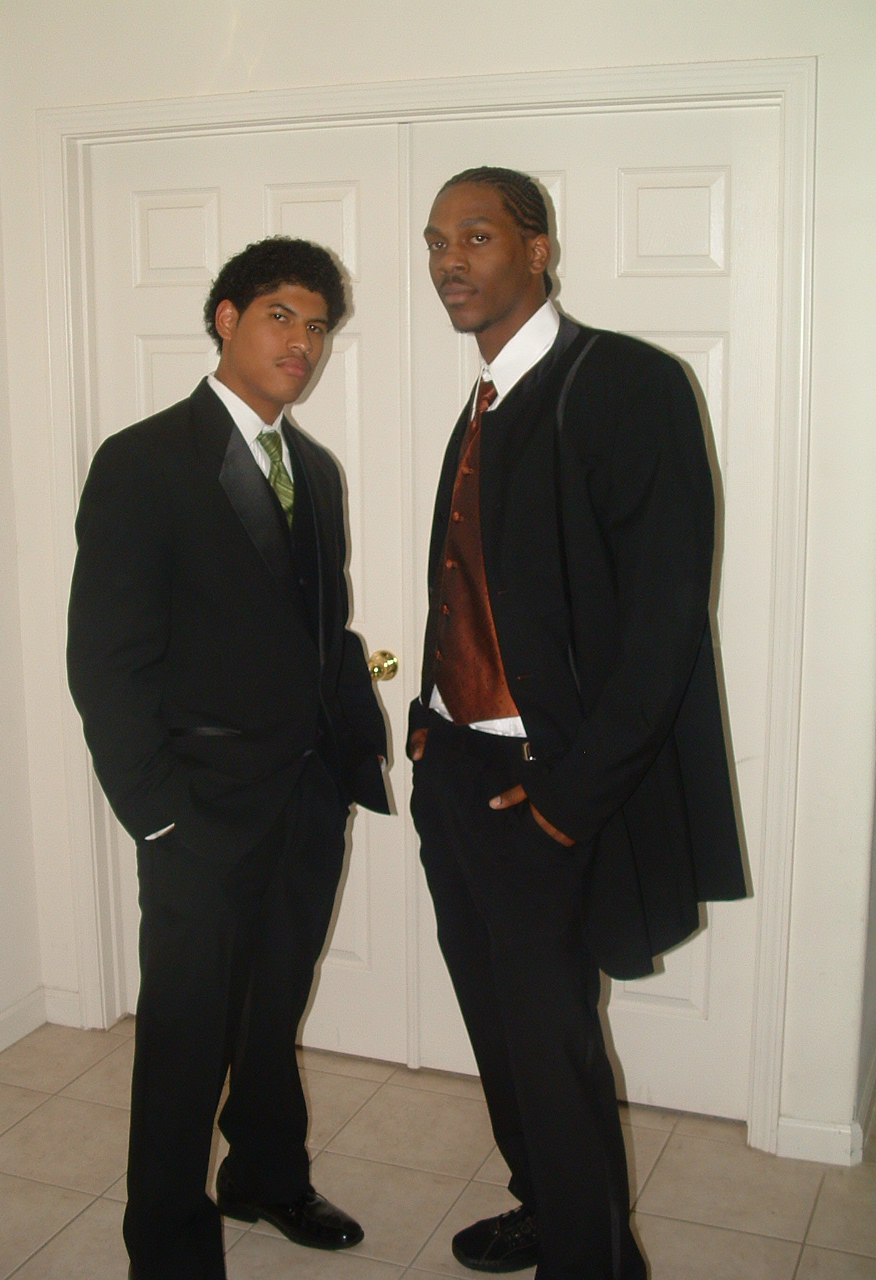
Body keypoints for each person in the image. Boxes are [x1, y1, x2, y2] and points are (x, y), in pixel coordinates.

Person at [408, 167, 745, 1280]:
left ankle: (595, 1262)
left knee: (550, 1046)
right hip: (456, 768)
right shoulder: (485, 398)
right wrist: (427, 724)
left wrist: (567, 801)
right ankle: (548, 1209)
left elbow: (663, 629)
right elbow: (476, 582)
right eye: (435, 242)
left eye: (475, 236)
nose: (449, 261)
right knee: (495, 1024)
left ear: (538, 248)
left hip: (541, 785)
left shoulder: (627, 384)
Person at [68, 237, 389, 1280]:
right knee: (185, 1036)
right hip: (198, 807)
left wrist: (349, 757)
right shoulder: (144, 461)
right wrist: (158, 814)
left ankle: (265, 1173)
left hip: (304, 799)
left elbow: (321, 629)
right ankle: (167, 1244)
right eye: (280, 316)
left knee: (272, 1007)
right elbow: (105, 659)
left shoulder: (317, 472)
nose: (303, 342)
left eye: (318, 326)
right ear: (226, 319)